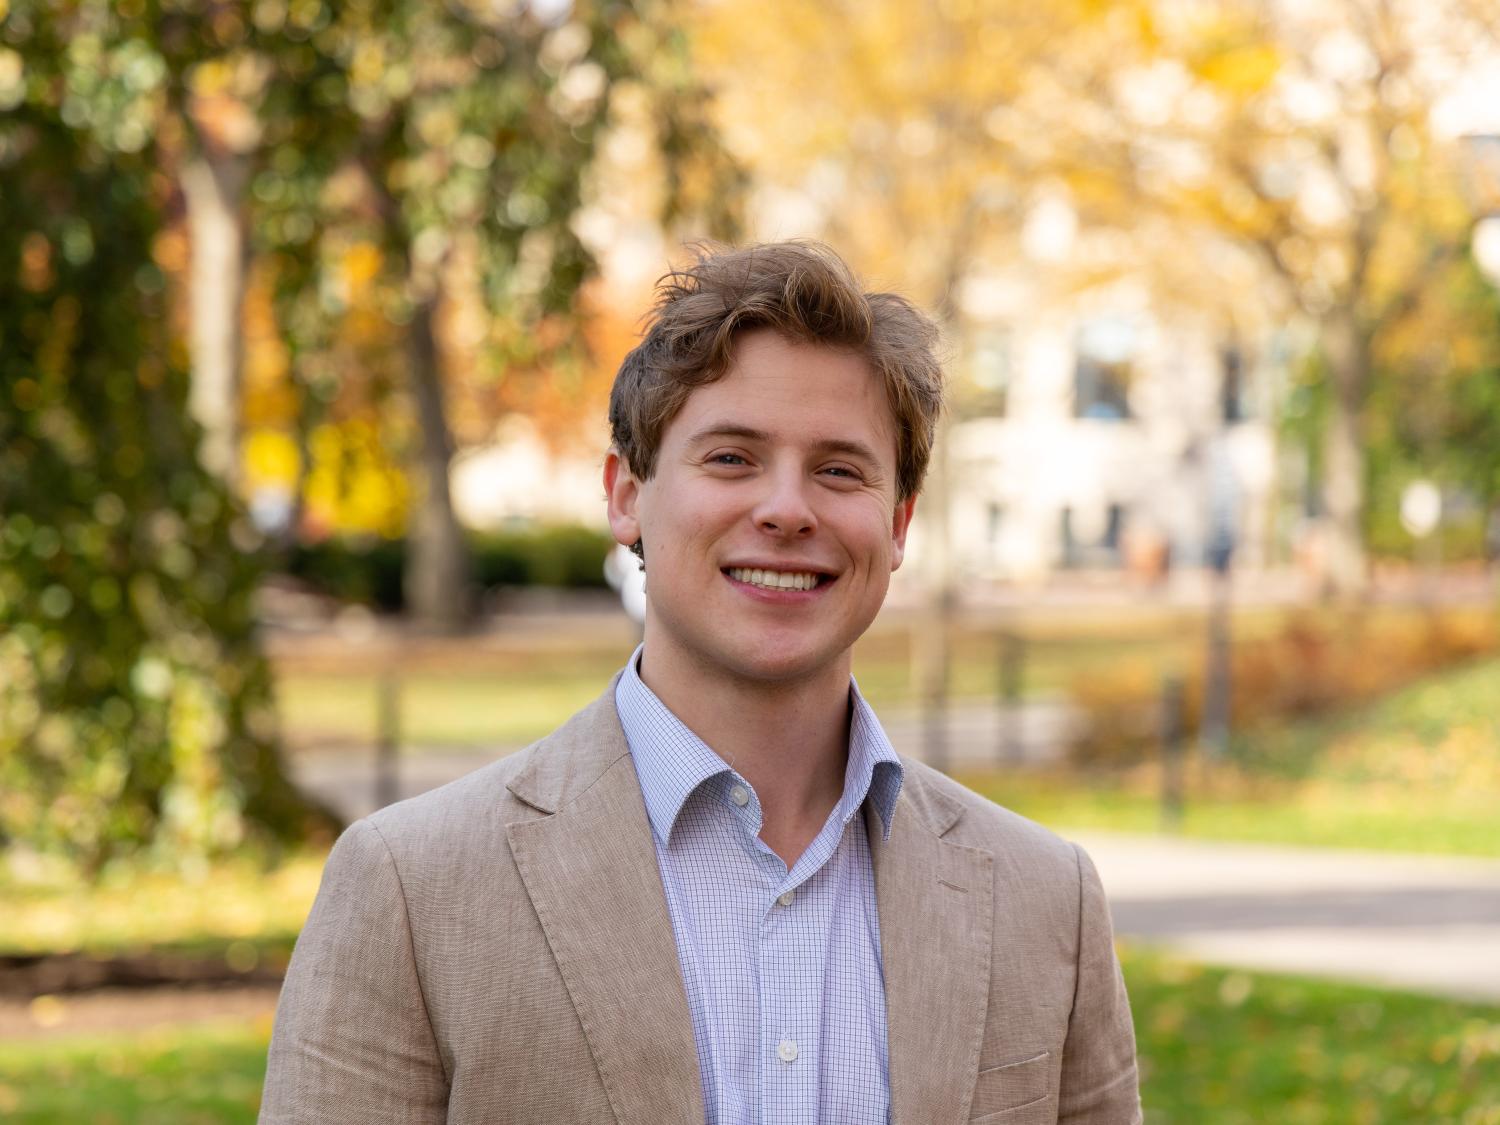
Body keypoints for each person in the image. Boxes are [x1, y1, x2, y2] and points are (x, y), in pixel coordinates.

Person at [259, 242, 1141, 1124]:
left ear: (899, 521)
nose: (787, 508)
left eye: (839, 469)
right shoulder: (413, 889)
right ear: (625, 496)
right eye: (731, 458)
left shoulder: (1044, 901)